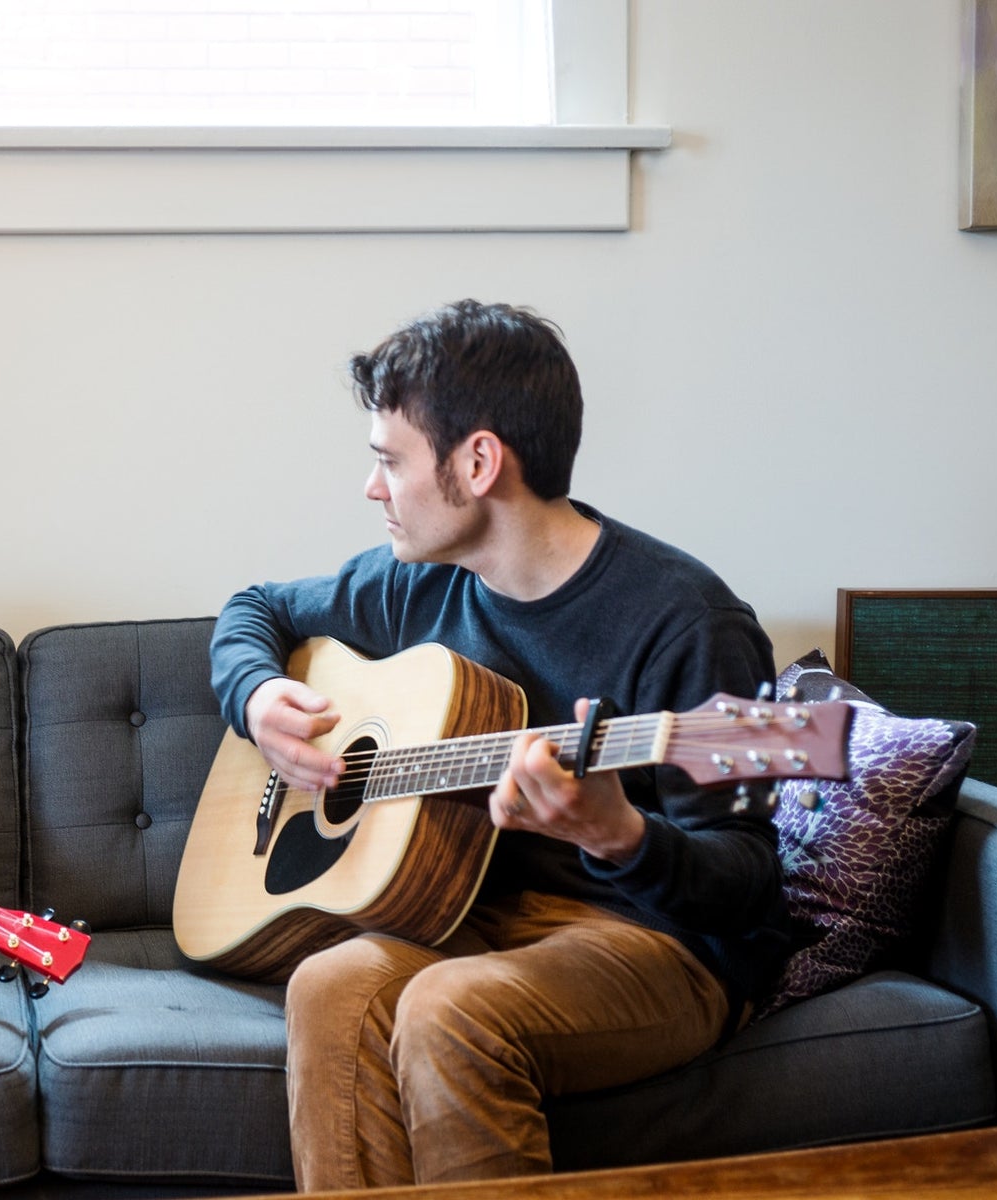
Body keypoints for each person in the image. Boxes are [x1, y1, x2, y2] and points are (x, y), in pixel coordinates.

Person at [208, 300, 789, 1187]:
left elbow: (747, 879)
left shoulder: (685, 621)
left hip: (656, 943)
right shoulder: (419, 584)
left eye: (389, 462)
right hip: (473, 919)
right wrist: (255, 699)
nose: (373, 489)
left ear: (478, 463)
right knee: (331, 985)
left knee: (448, 1007)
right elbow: (257, 608)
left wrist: (616, 835)